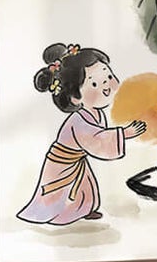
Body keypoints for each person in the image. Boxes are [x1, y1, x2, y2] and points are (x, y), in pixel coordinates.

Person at [17, 42, 146, 225]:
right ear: (76, 97)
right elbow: (96, 139)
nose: (106, 85)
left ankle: (84, 209)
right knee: (59, 192)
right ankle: (58, 216)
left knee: (84, 186)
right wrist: (124, 133)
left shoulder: (95, 112)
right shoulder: (78, 121)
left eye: (108, 76)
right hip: (61, 164)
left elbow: (99, 135)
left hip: (75, 160)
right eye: (94, 83)